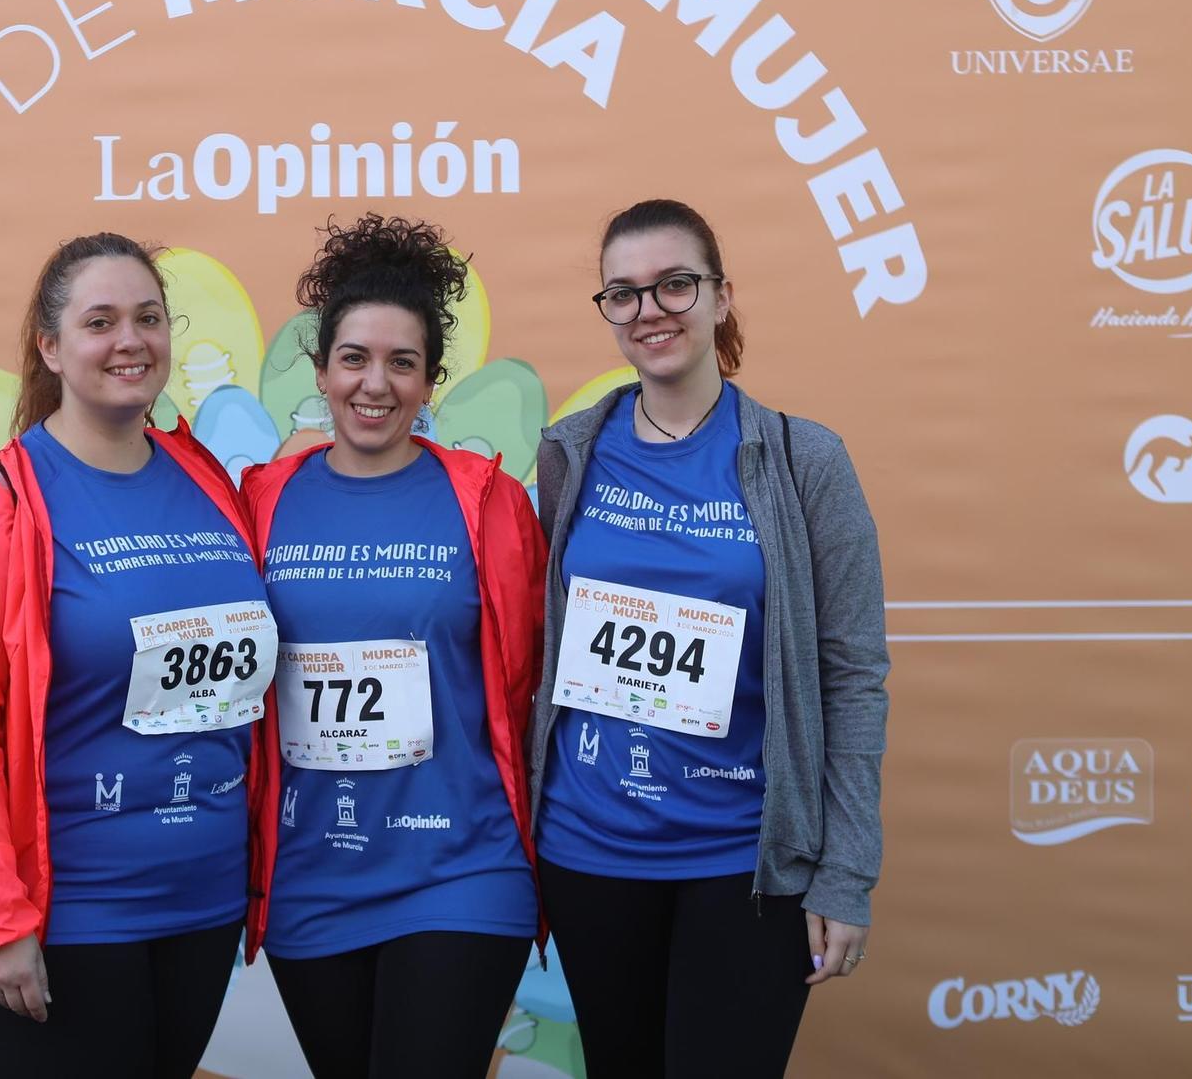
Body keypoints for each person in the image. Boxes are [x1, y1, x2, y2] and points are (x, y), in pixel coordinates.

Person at [0, 233, 276, 1079]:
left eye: (148, 317)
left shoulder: (209, 480)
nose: (129, 340)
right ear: (50, 346)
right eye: (99, 321)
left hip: (200, 905)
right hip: (62, 918)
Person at [530, 199, 889, 1078]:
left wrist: (846, 872)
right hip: (589, 850)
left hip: (746, 862)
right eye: (624, 293)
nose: (650, 310)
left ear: (723, 297)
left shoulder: (805, 460)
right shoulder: (569, 452)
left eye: (674, 284)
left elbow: (852, 677)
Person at [241, 214, 545, 1078]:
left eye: (402, 362)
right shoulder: (261, 501)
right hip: (311, 879)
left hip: (461, 870)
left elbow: (537, 675)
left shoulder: (490, 504)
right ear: (321, 369)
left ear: (430, 381)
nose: (376, 384)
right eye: (355, 358)